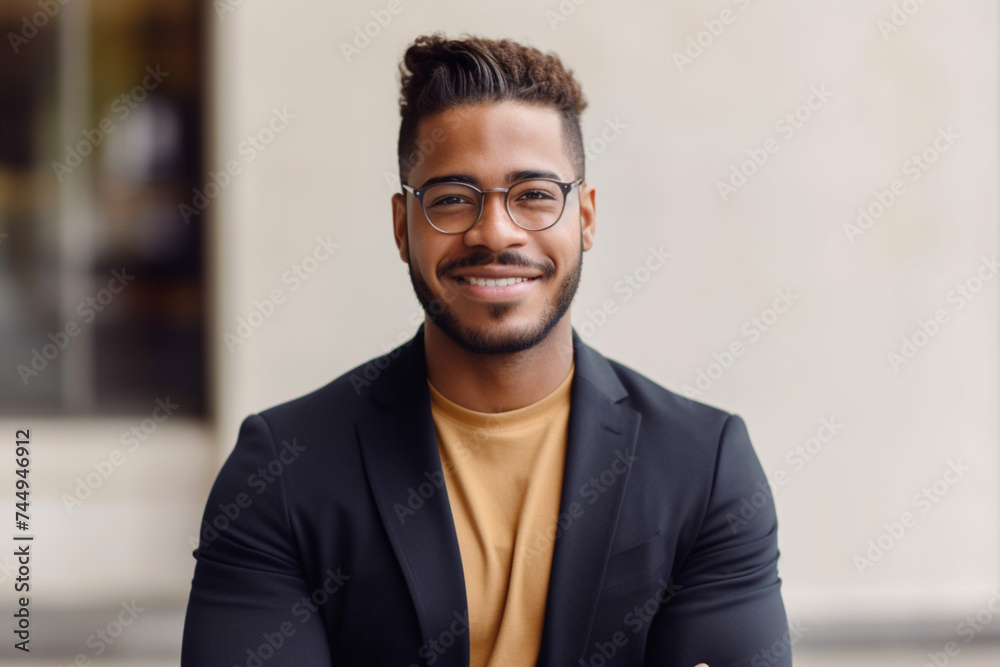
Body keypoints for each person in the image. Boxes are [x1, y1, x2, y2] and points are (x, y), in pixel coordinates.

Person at [180, 33, 790, 667]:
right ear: (401, 227)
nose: (494, 231)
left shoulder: (705, 466)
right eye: (450, 199)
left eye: (533, 195)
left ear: (583, 218)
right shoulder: (282, 469)